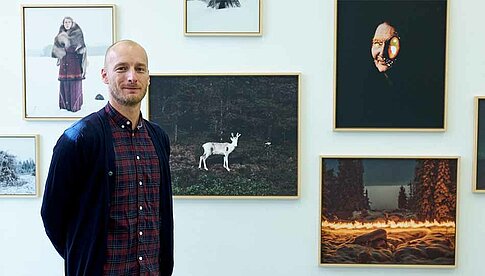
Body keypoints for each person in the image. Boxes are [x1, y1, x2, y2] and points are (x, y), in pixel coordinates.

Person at [41, 40, 174, 275]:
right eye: (122, 68)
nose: (132, 77)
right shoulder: (78, 139)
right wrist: (84, 254)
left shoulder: (158, 138)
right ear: (104, 75)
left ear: (148, 77)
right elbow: (53, 215)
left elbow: (161, 213)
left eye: (140, 69)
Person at [52, 16, 87, 112]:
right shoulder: (60, 34)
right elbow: (56, 50)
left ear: (72, 23)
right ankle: (64, 106)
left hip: (74, 64)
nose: (67, 24)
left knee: (74, 86)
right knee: (64, 85)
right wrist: (60, 48)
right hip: (64, 64)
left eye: (68, 22)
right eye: (65, 22)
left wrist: (72, 47)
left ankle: (74, 107)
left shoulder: (77, 33)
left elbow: (81, 48)